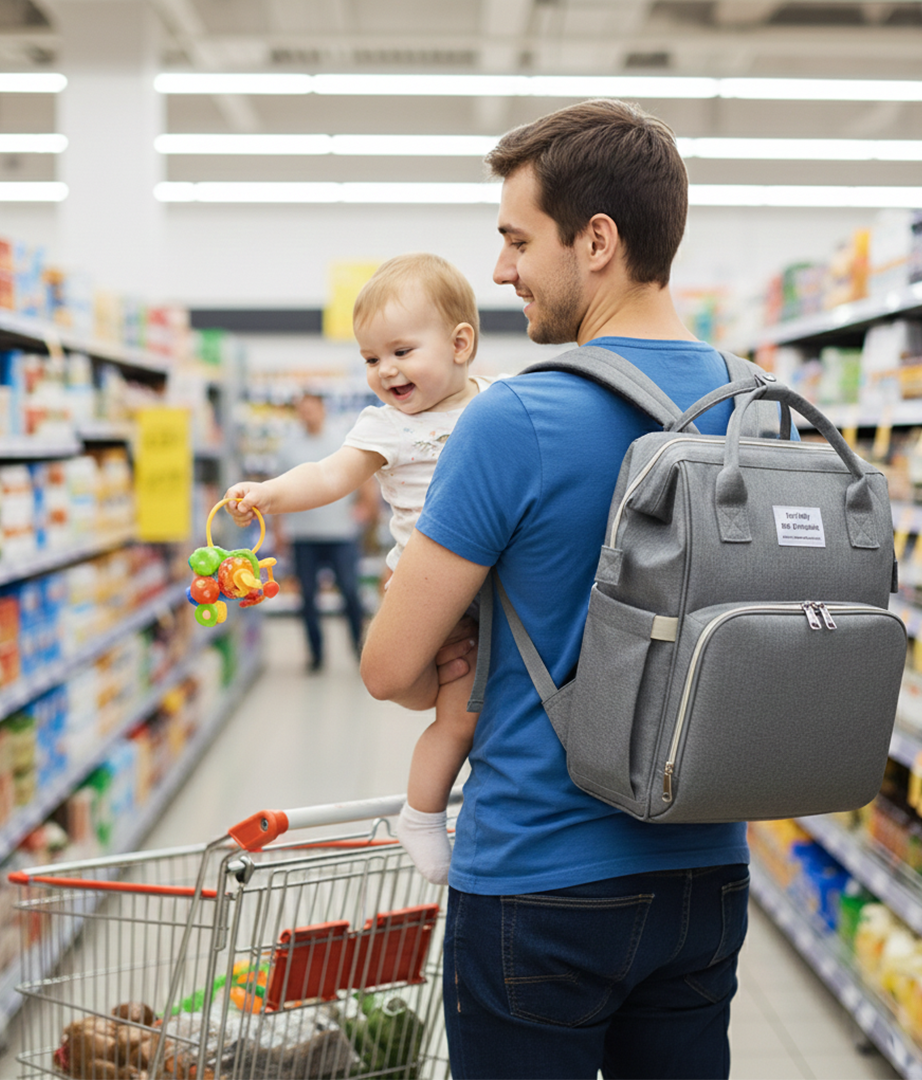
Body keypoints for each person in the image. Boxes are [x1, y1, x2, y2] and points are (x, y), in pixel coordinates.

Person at [360, 99, 751, 1079]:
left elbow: (394, 671)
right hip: (707, 873)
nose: (500, 271)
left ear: (599, 242)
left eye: (516, 239)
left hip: (541, 881)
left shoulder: (516, 419)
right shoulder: (762, 408)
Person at [225, 252, 496, 884]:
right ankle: (422, 813)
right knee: (453, 716)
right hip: (428, 591)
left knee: (481, 708)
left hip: (498, 589)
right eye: (372, 359)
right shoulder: (385, 427)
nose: (385, 371)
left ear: (461, 344)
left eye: (401, 351)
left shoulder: (498, 402)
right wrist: (271, 492)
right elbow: (328, 475)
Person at [266, 390, 368, 672]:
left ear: (323, 409)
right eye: (302, 410)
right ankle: (316, 655)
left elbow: (364, 478)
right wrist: (278, 532)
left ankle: (360, 651)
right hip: (302, 535)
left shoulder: (342, 440)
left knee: (350, 593)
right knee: (307, 597)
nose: (307, 414)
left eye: (311, 409)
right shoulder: (288, 447)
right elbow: (277, 491)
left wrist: (365, 510)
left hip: (341, 533)